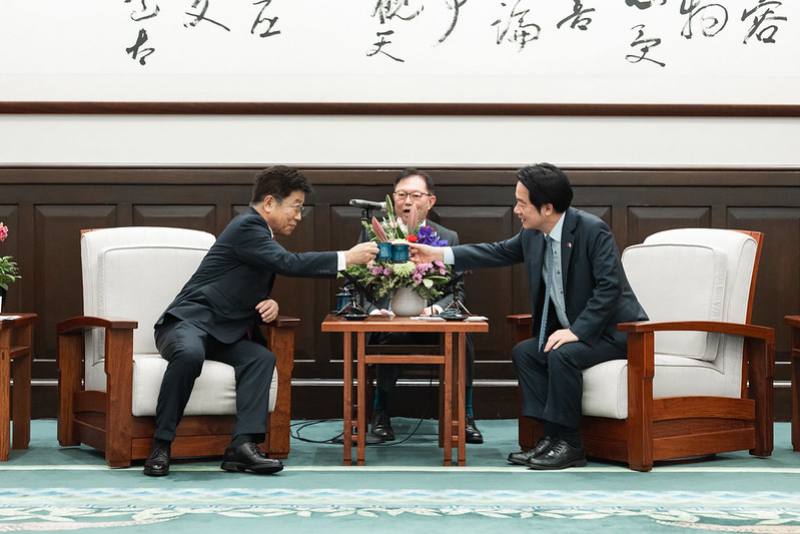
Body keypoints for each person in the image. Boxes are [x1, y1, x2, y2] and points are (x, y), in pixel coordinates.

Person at [410, 163, 647, 470]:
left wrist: (576, 331)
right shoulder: (533, 235)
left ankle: (571, 444)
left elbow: (609, 288)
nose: (516, 210)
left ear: (547, 207)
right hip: (579, 332)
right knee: (527, 352)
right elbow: (493, 252)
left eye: (522, 203)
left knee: (562, 353)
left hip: (614, 333)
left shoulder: (591, 230)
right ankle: (549, 437)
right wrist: (437, 254)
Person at [144, 166, 378, 477]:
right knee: (189, 354)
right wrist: (346, 258)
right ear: (269, 203)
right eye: (295, 206)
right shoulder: (246, 227)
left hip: (221, 332)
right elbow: (286, 263)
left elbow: (239, 282)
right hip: (187, 324)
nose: (299, 216)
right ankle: (161, 444)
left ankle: (242, 446)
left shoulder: (259, 235)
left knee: (260, 358)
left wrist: (268, 303)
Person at [364, 168, 483, 445]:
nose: (408, 202)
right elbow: (361, 285)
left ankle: (465, 416)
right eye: (402, 195)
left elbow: (456, 289)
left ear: (430, 201)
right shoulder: (373, 234)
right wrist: (377, 310)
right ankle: (380, 414)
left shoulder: (447, 237)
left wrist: (436, 310)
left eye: (415, 195)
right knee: (386, 338)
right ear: (392, 201)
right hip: (390, 321)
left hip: (431, 324)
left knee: (463, 341)